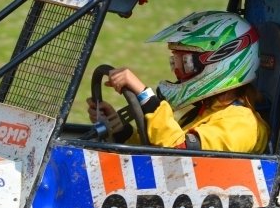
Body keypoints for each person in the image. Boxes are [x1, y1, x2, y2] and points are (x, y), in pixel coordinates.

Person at [87, 11, 269, 153]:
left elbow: (178, 153)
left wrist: (143, 93)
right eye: (174, 61)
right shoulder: (201, 114)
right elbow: (157, 149)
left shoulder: (243, 124)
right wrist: (119, 128)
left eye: (186, 62)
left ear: (222, 61)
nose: (176, 70)